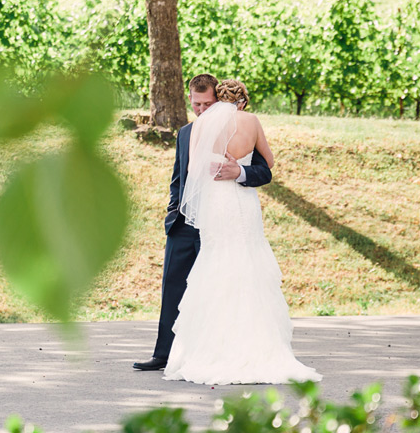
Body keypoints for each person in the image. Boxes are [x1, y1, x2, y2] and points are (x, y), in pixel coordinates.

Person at [163, 79, 321, 384]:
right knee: (248, 264)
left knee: (215, 265)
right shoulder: (251, 121)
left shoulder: (202, 125)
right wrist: (240, 168)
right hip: (243, 201)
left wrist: (219, 166)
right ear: (244, 101)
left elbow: (193, 168)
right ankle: (258, 346)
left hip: (216, 202)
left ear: (218, 100)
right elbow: (270, 162)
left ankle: (211, 351)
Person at [133, 74, 272, 372]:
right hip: (184, 222)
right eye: (196, 104)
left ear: (219, 100)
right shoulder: (186, 132)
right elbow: (178, 177)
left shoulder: (237, 125)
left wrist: (240, 172)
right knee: (173, 285)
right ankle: (163, 354)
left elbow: (265, 170)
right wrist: (173, 210)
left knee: (215, 286)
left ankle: (206, 354)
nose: (201, 110)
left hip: (223, 220)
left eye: (207, 104)